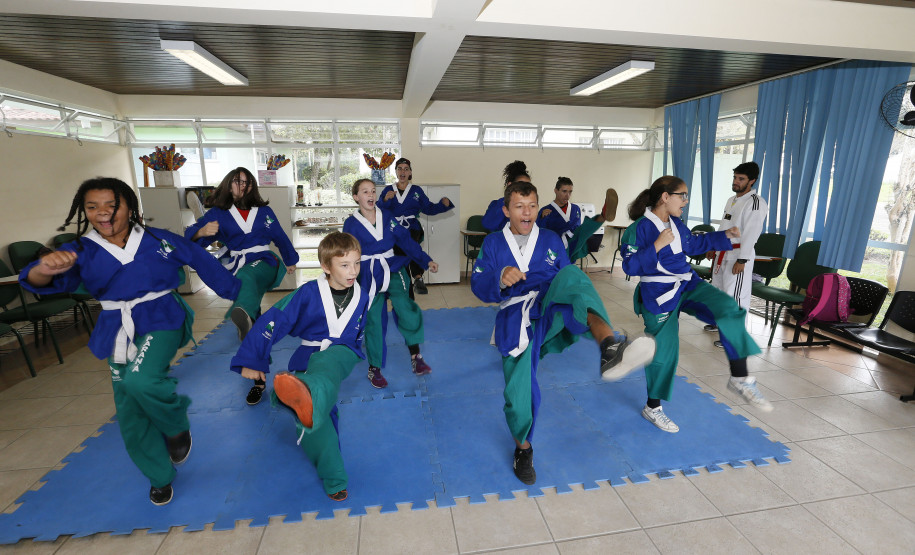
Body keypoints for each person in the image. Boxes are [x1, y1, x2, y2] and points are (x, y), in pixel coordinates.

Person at [21, 177, 241, 506]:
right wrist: (44, 267)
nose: (103, 214)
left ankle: (175, 425)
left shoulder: (158, 240)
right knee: (128, 407)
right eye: (93, 207)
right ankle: (159, 476)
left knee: (141, 380)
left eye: (112, 205)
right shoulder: (80, 250)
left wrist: (240, 299)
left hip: (162, 317)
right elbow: (35, 278)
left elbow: (203, 261)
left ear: (129, 207)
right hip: (116, 327)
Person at [471, 180, 655, 485]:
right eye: (519, 206)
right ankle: (523, 448)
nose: (527, 212)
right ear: (507, 210)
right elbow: (479, 286)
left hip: (550, 306)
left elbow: (565, 278)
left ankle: (610, 346)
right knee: (520, 397)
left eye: (531, 205)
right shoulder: (493, 243)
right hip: (516, 318)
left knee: (573, 278)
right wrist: (499, 276)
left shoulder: (550, 238)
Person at [621, 176, 773, 434]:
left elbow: (692, 245)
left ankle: (739, 378)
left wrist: (724, 236)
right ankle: (653, 407)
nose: (686, 201)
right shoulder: (638, 229)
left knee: (729, 309)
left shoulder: (676, 223)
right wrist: (657, 245)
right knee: (664, 351)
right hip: (657, 293)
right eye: (682, 195)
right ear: (665, 197)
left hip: (687, 284)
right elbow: (630, 266)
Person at [231, 232, 369, 501]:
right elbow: (274, 320)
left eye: (357, 263)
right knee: (316, 424)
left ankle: (306, 392)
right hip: (308, 354)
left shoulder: (362, 296)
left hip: (342, 352)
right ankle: (334, 477)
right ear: (326, 267)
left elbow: (360, 332)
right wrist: (252, 357)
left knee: (326, 367)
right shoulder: (307, 293)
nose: (353, 271)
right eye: (345, 265)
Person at [184, 167, 298, 406]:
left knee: (248, 278)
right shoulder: (218, 213)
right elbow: (190, 240)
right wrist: (201, 232)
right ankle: (259, 381)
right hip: (236, 264)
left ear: (252, 186)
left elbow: (280, 236)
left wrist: (290, 259)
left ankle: (243, 311)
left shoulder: (263, 211)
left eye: (246, 182)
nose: (241, 186)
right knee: (255, 331)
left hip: (265, 262)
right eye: (236, 182)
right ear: (228, 185)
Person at [343, 178, 439, 388]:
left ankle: (416, 357)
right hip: (368, 273)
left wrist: (426, 260)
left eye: (373, 191)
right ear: (356, 197)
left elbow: (406, 241)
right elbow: (345, 253)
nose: (370, 195)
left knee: (407, 308)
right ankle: (374, 368)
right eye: (365, 192)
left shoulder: (387, 216)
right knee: (374, 319)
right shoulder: (351, 224)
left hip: (393, 267)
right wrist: (345, 276)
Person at [703, 162, 768, 348]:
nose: (736, 182)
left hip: (739, 254)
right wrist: (713, 245)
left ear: (752, 181)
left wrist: (742, 259)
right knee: (719, 290)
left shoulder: (755, 203)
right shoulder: (732, 200)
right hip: (723, 251)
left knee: (735, 295)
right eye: (735, 178)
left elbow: (751, 233)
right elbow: (725, 226)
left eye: (741, 179)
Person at [377, 157, 454, 296]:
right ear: (395, 171)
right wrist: (385, 200)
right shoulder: (388, 190)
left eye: (406, 169)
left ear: (410, 173)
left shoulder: (416, 191)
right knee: (401, 256)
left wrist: (443, 205)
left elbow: (429, 208)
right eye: (399, 168)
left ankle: (417, 277)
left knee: (411, 245)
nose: (402, 171)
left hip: (412, 227)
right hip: (393, 230)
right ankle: (410, 285)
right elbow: (379, 210)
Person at [536, 176, 619, 262]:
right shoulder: (546, 210)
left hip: (574, 241)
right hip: (556, 246)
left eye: (570, 192)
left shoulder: (575, 209)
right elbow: (540, 233)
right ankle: (602, 216)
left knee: (582, 231)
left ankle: (604, 215)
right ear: (556, 190)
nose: (567, 195)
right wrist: (542, 218)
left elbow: (578, 227)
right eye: (564, 191)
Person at [481, 160, 531, 232]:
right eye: (521, 184)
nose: (525, 188)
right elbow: (488, 224)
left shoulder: (530, 206)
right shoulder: (497, 204)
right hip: (501, 241)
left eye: (528, 185)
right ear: (510, 185)